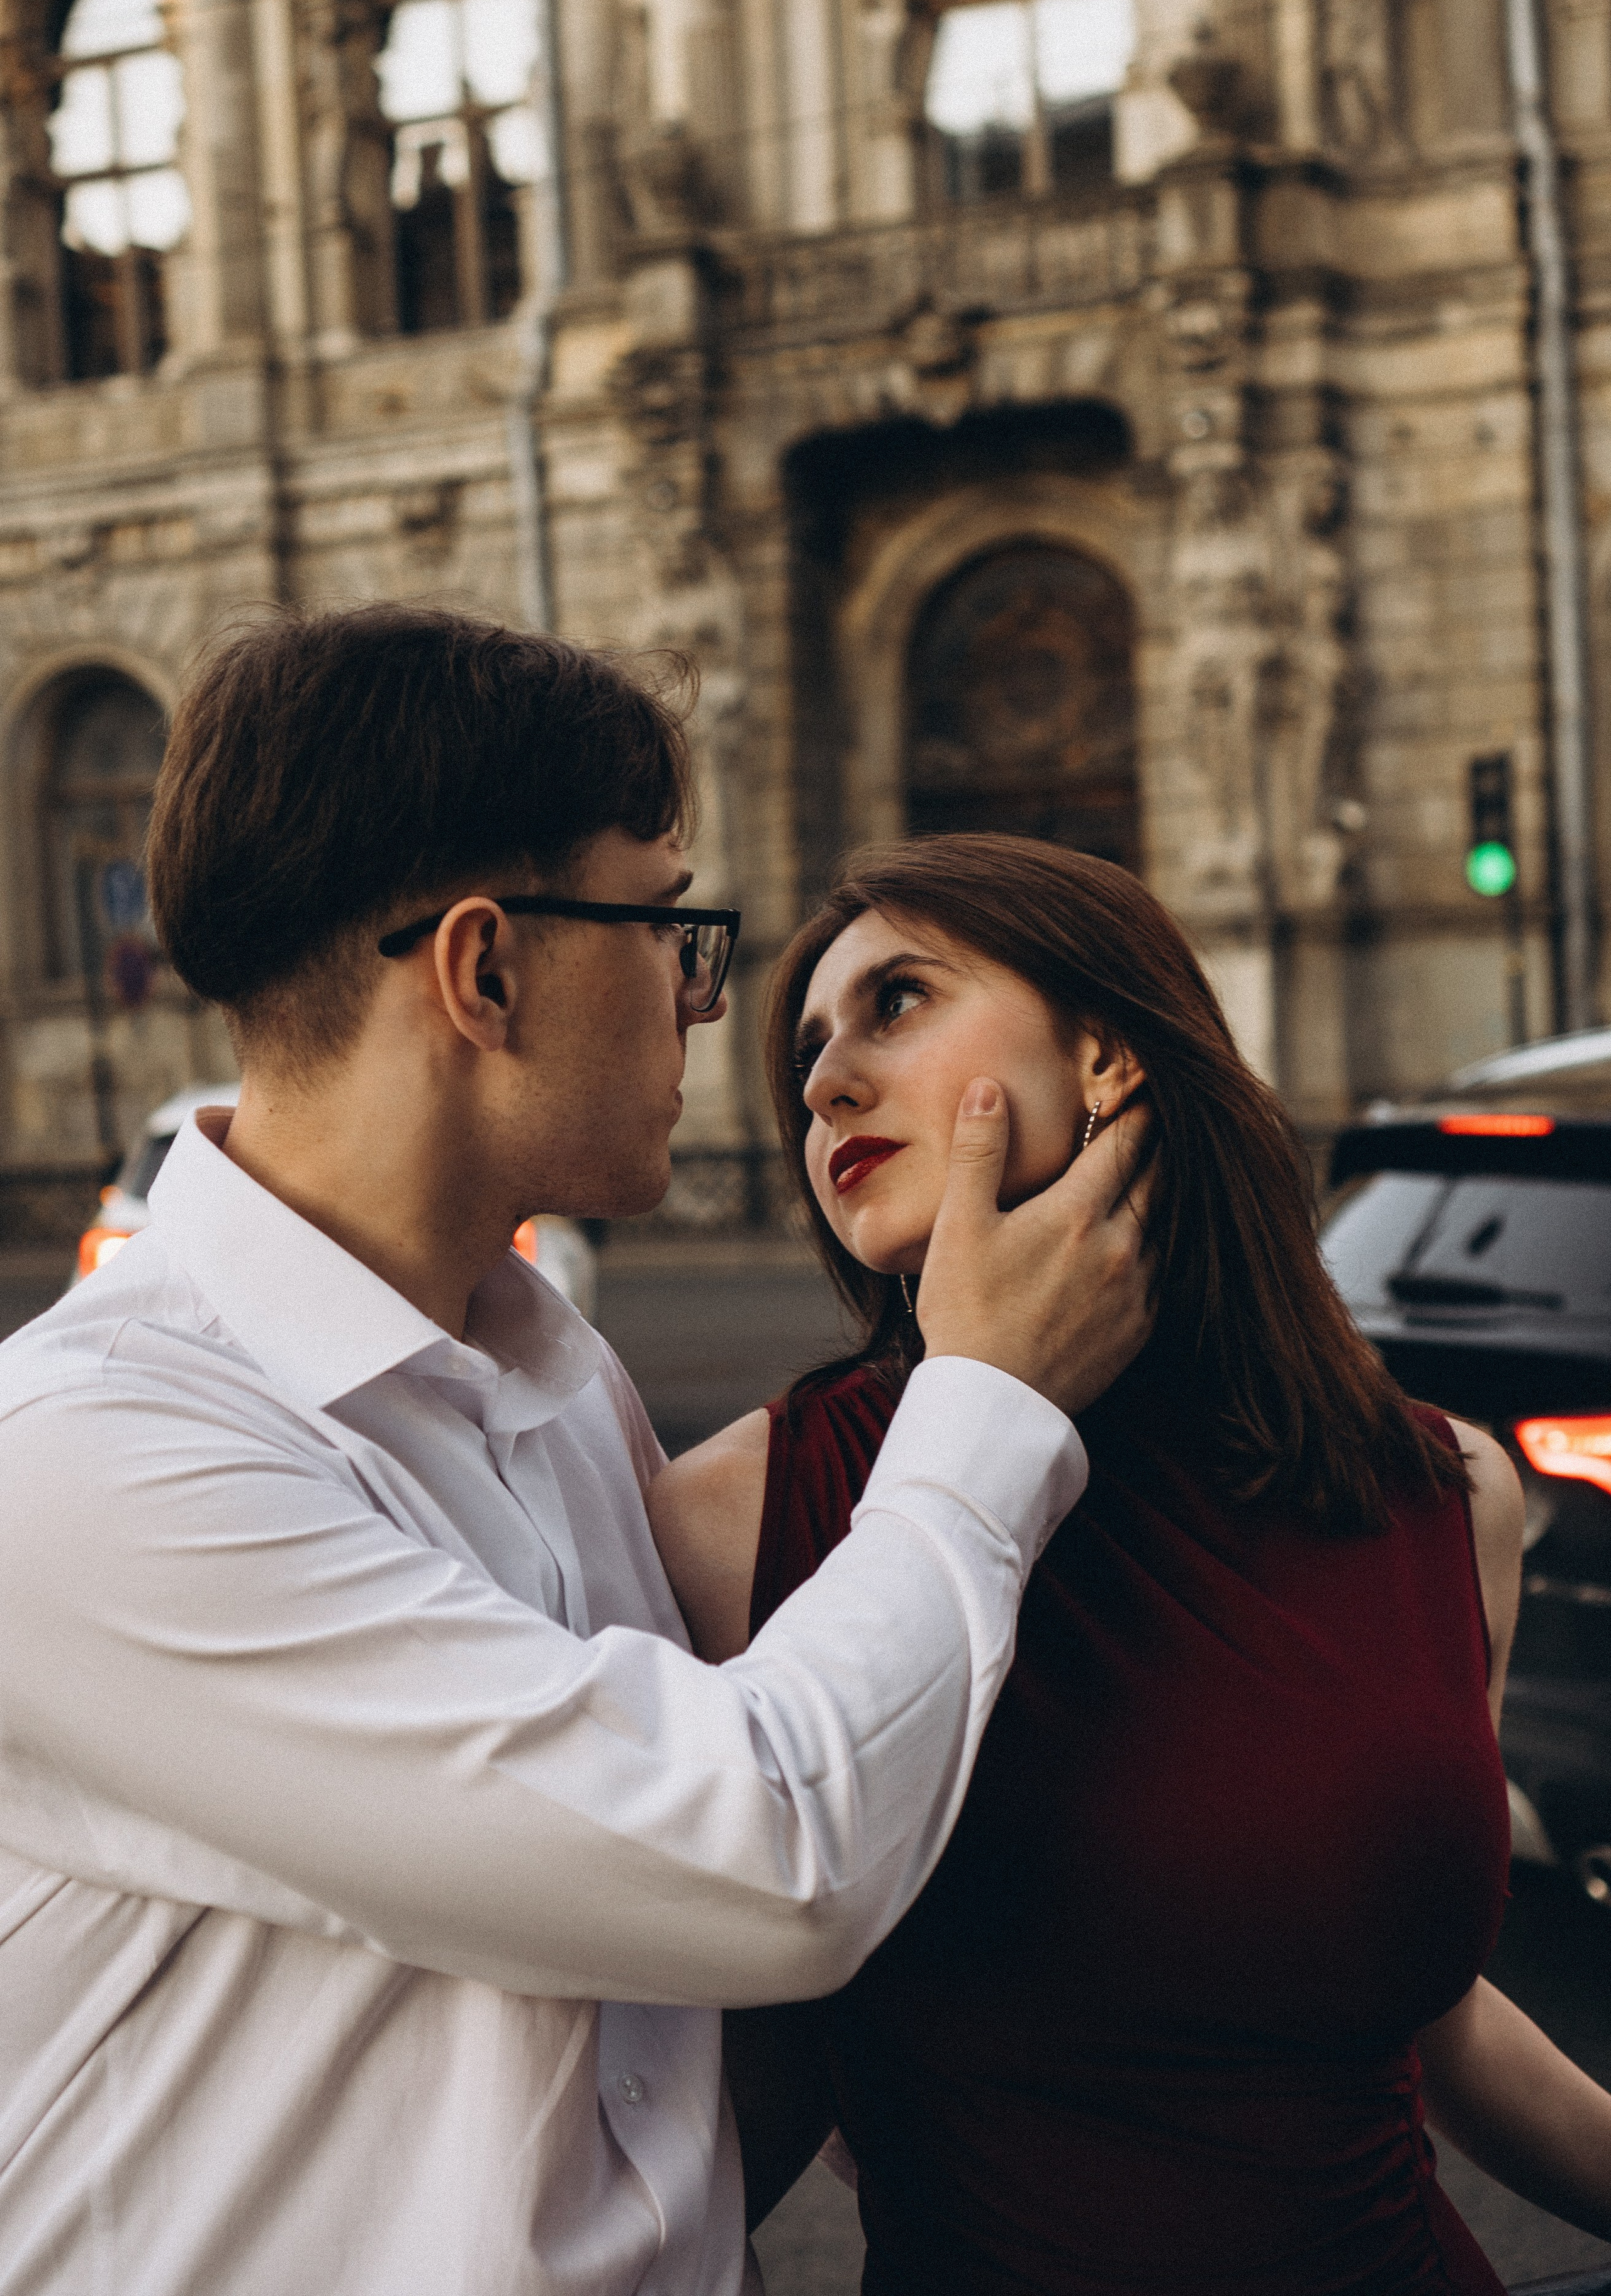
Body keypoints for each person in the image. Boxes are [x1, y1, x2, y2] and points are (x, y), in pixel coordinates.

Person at [0, 611, 1155, 2296]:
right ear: (486, 970)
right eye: (673, 927)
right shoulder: (93, 1459)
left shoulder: (550, 1378)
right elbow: (758, 1860)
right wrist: (987, 1402)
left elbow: (628, 2055)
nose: (715, 1008)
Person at [647, 832, 1611, 2296]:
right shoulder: (744, 1511)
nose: (824, 1083)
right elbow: (732, 2091)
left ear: (1105, 1052)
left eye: (895, 1002)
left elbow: (1430, 2014)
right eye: (806, 1056)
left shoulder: (1440, 1491)